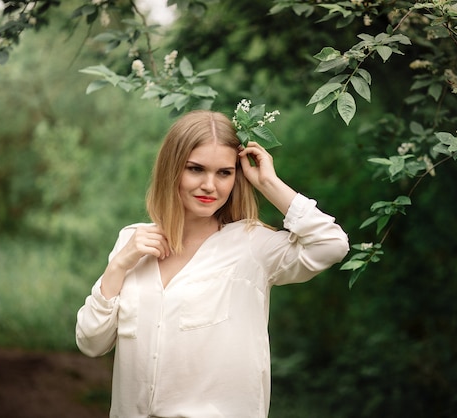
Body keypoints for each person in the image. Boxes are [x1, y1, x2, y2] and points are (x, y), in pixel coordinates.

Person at [75, 109, 349, 418]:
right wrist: (119, 266)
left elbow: (332, 244)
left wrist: (268, 183)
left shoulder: (251, 246)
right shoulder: (132, 242)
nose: (210, 185)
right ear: (171, 169)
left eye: (224, 172)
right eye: (195, 169)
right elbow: (91, 343)